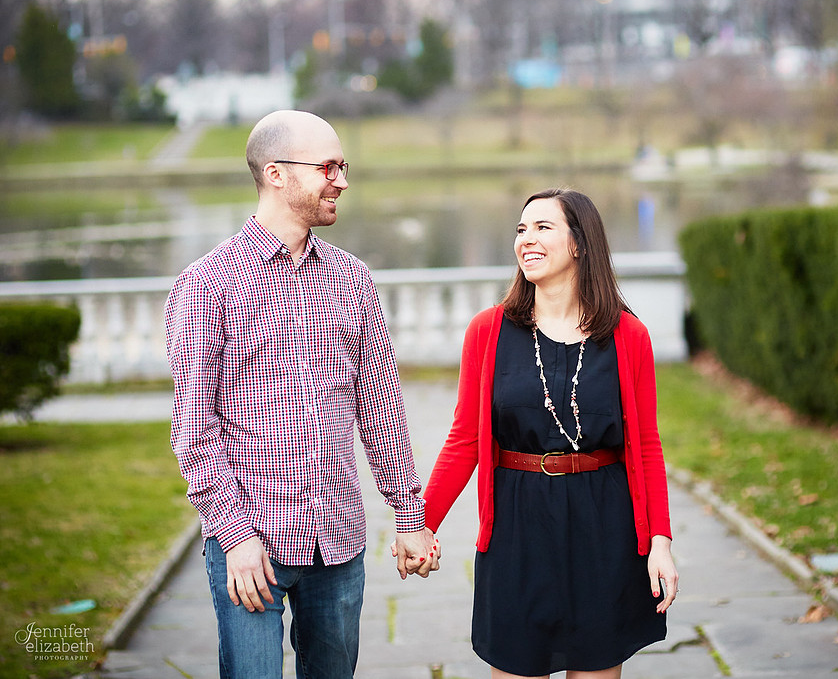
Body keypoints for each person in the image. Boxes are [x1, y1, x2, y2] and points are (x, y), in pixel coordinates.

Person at [165, 109, 439, 679]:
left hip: (339, 544)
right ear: (276, 173)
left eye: (343, 166)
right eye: (328, 167)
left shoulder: (352, 278)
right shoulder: (207, 284)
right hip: (251, 543)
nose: (342, 181)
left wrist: (408, 516)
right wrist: (235, 537)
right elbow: (195, 431)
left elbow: (380, 409)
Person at [419, 188, 679, 679]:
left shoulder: (628, 336)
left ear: (579, 243)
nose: (527, 239)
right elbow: (465, 439)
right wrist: (421, 523)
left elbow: (645, 445)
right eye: (521, 229)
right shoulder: (488, 331)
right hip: (517, 529)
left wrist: (660, 540)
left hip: (605, 528)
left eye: (543, 228)